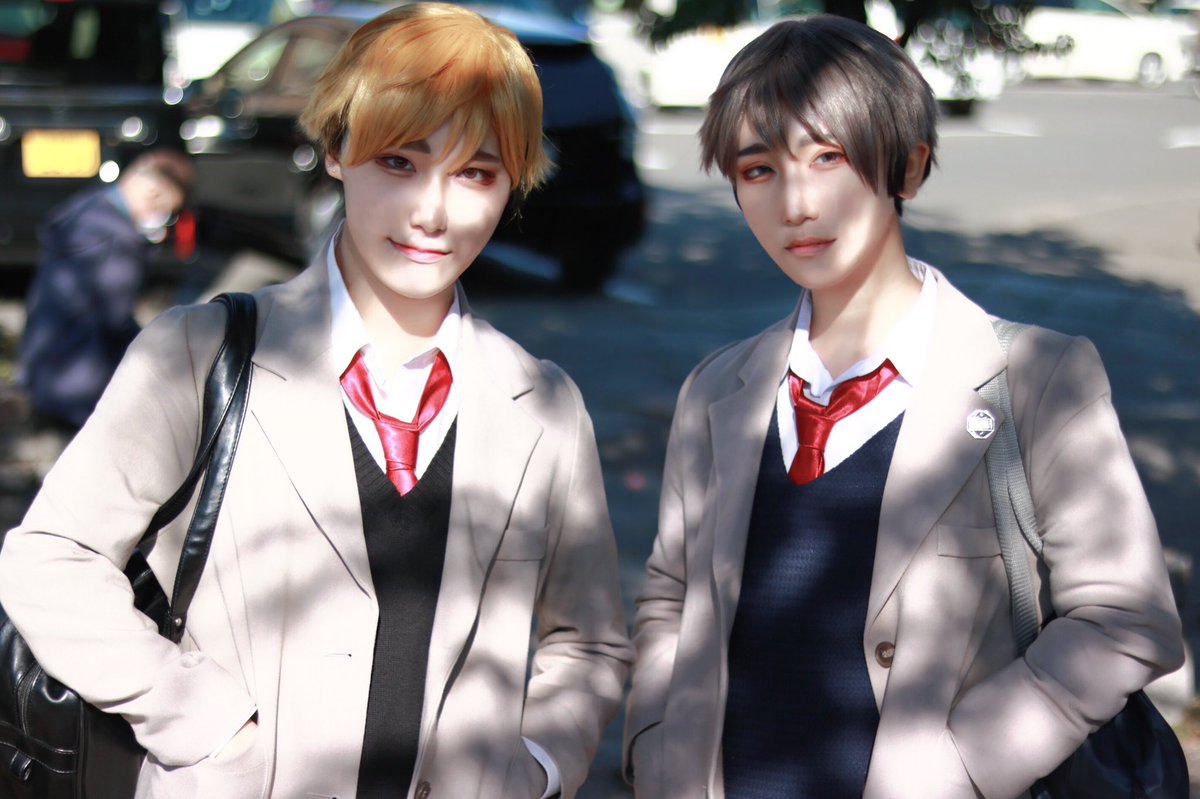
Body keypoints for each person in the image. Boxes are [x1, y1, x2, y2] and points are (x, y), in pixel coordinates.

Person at [0, 4, 631, 798]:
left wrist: (535, 763)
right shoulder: (199, 353)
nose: (432, 211)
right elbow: (51, 556)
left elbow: (590, 642)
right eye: (399, 161)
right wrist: (204, 723)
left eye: (475, 173)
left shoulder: (542, 407)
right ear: (336, 151)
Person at [621, 15, 1184, 799]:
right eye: (759, 169)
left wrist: (962, 765)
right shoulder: (717, 389)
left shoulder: (1036, 377)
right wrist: (656, 741)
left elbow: (1124, 617)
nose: (796, 202)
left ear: (909, 167)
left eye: (829, 157)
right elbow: (671, 595)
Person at [17, 148, 193, 432]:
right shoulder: (117, 244)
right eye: (169, 213)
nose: (164, 221)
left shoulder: (86, 209)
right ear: (154, 193)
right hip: (81, 386)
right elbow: (116, 321)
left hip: (43, 368)